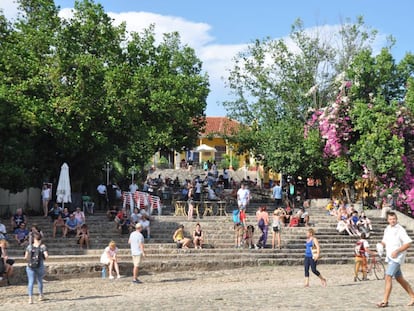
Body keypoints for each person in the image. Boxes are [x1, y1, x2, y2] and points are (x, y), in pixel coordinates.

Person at [376, 211, 414, 308]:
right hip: (390, 257)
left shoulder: (400, 229)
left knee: (388, 276)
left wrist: (397, 251)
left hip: (397, 258)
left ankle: (385, 301)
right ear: (388, 220)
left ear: (396, 219)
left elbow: (408, 243)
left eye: (394, 219)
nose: (392, 221)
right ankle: (413, 297)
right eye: (390, 219)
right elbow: (384, 241)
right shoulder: (387, 229)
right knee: (399, 278)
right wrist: (380, 245)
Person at [24, 232, 48, 304]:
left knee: (30, 282)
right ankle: (41, 296)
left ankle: (30, 298)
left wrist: (30, 260)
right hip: (40, 265)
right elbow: (46, 256)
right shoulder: (43, 246)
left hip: (30, 266)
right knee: (39, 280)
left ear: (33, 238)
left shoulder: (29, 246)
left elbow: (26, 257)